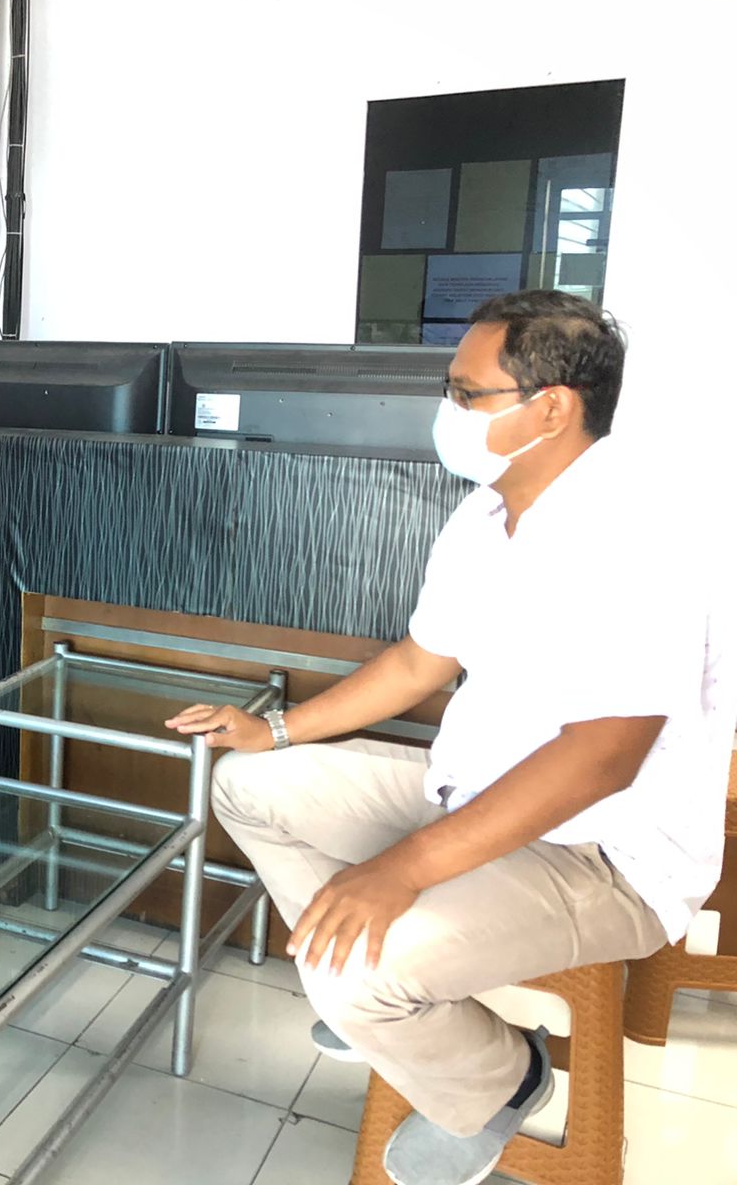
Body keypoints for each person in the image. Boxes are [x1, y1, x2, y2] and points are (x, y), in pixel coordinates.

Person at [167, 291, 734, 1185]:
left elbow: (603, 755)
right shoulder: (485, 517)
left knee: (354, 979)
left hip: (606, 856)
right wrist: (272, 730)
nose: (448, 411)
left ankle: (502, 1079)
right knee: (247, 785)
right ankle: (392, 1004)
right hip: (469, 791)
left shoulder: (638, 533)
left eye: (468, 394)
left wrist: (401, 871)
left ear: (552, 408)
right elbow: (417, 663)